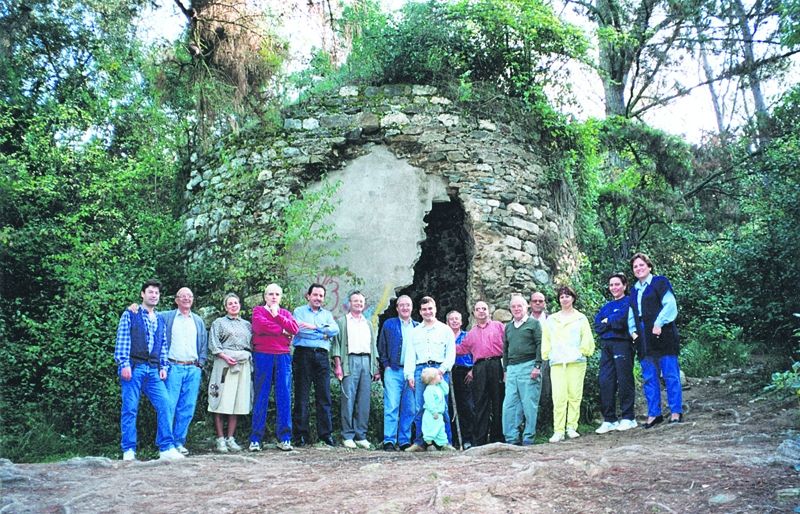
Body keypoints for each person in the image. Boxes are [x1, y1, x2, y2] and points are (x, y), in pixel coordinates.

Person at [114, 279, 183, 461]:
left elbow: (163, 345)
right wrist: (124, 364)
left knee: (165, 404)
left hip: (153, 370)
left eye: (157, 293)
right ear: (142, 294)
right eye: (150, 292)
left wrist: (163, 366)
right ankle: (129, 450)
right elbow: (122, 339)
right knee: (130, 409)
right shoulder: (130, 314)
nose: (154, 295)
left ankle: (166, 448)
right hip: (133, 367)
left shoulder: (159, 319)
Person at [627, 252, 683, 427]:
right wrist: (633, 331)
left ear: (649, 267)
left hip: (663, 333)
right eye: (635, 266)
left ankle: (676, 411)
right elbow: (632, 313)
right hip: (643, 337)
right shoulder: (634, 290)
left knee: (670, 374)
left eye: (641, 265)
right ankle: (654, 414)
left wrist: (659, 322)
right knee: (649, 376)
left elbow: (670, 304)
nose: (638, 268)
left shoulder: (660, 282)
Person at [249, 284, 299, 452]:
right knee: (261, 396)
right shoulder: (258, 311)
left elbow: (294, 329)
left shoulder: (285, 313)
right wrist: (283, 331)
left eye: (277, 294)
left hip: (283, 356)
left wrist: (277, 316)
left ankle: (285, 438)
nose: (274, 297)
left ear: (281, 297)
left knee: (284, 396)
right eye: (271, 294)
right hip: (263, 355)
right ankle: (255, 439)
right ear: (265, 297)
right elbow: (259, 327)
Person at [542, 286, 595, 443]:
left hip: (576, 362)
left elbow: (587, 337)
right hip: (557, 363)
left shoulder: (581, 318)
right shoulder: (552, 319)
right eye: (562, 296)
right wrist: (547, 354)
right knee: (558, 397)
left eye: (567, 296)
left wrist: (582, 352)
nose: (564, 299)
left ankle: (571, 427)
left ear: (573, 298)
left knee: (574, 395)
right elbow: (546, 339)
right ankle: (558, 430)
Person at [404, 296, 456, 452]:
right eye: (424, 309)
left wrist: (442, 370)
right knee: (420, 407)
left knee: (442, 407)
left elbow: (451, 353)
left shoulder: (445, 330)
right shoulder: (414, 332)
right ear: (420, 312)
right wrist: (409, 375)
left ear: (435, 309)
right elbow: (410, 355)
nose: (428, 312)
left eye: (430, 308)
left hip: (439, 370)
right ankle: (420, 442)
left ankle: (445, 442)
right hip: (421, 370)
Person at [292, 283, 340, 447]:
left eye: (321, 296)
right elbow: (299, 330)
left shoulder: (327, 314)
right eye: (315, 295)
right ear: (308, 296)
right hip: (303, 355)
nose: (318, 298)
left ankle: (325, 435)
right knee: (302, 396)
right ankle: (301, 435)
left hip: (321, 356)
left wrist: (314, 327)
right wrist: (323, 333)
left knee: (324, 396)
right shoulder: (299, 312)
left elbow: (335, 330)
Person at [332, 290, 380, 449]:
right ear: (349, 303)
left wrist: (375, 367)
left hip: (366, 361)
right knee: (348, 399)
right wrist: (338, 365)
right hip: (349, 361)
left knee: (364, 400)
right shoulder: (342, 322)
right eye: (355, 301)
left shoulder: (368, 323)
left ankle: (361, 435)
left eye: (361, 301)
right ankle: (347, 435)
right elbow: (336, 345)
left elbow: (373, 347)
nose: (359, 303)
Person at [162, 287, 208, 455]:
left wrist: (200, 364)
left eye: (190, 296)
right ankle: (166, 444)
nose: (187, 299)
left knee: (187, 408)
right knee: (169, 406)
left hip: (193, 369)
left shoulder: (198, 320)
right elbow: (148, 315)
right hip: (173, 367)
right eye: (183, 296)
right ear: (176, 300)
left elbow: (203, 343)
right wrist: (135, 308)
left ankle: (179, 442)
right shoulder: (166, 317)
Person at [455, 301, 505, 446]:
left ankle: (497, 437)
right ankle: (480, 440)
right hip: (480, 367)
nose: (481, 311)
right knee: (481, 403)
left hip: (496, 364)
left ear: (489, 311)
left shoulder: (499, 326)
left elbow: (507, 344)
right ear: (474, 313)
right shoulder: (471, 333)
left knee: (498, 401)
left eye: (484, 308)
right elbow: (461, 349)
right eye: (478, 309)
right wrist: (444, 344)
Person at [207, 293, 252, 452]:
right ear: (225, 307)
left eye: (236, 303)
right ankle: (220, 439)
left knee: (237, 401)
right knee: (220, 400)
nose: (234, 305)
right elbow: (213, 344)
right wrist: (225, 356)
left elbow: (251, 345)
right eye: (230, 303)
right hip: (224, 363)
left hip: (242, 365)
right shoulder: (219, 323)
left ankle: (230, 438)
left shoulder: (247, 325)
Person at [594, 273, 637, 433]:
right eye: (611, 285)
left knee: (624, 379)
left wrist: (608, 321)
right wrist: (610, 322)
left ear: (624, 286)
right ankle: (610, 419)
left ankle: (629, 418)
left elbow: (623, 321)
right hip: (606, 346)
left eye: (617, 284)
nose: (614, 287)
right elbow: (597, 325)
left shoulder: (629, 302)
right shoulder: (607, 306)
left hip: (623, 344)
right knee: (605, 380)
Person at [377, 295, 418, 451]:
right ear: (397, 308)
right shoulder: (389, 324)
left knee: (409, 408)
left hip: (411, 372)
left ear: (412, 307)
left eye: (408, 305)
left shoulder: (417, 327)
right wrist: (386, 365)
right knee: (392, 405)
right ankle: (389, 440)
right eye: (402, 305)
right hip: (393, 370)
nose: (405, 308)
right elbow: (382, 345)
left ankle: (404, 440)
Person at [502, 294, 543, 445]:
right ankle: (511, 438)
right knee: (509, 405)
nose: (516, 309)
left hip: (529, 366)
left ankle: (528, 438)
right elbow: (505, 350)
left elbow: (540, 344)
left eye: (519, 306)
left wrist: (537, 366)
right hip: (512, 369)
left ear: (526, 307)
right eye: (513, 306)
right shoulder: (508, 327)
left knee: (529, 404)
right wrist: (505, 370)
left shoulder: (534, 324)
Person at [447, 310, 475, 450]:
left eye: (457, 319)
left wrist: (472, 370)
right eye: (451, 319)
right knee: (450, 406)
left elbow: (476, 353)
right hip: (449, 372)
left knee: (467, 406)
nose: (454, 321)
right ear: (447, 322)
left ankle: (467, 438)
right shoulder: (444, 336)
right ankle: (452, 439)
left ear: (461, 321)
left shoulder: (467, 336)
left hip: (465, 373)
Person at [421, 367, 452, 451]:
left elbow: (446, 391)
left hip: (439, 414)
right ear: (433, 378)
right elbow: (429, 402)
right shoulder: (429, 390)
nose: (440, 376)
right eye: (438, 375)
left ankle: (444, 444)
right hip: (431, 415)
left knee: (441, 429)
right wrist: (433, 411)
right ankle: (429, 444)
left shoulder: (439, 387)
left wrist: (442, 381)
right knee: (430, 429)